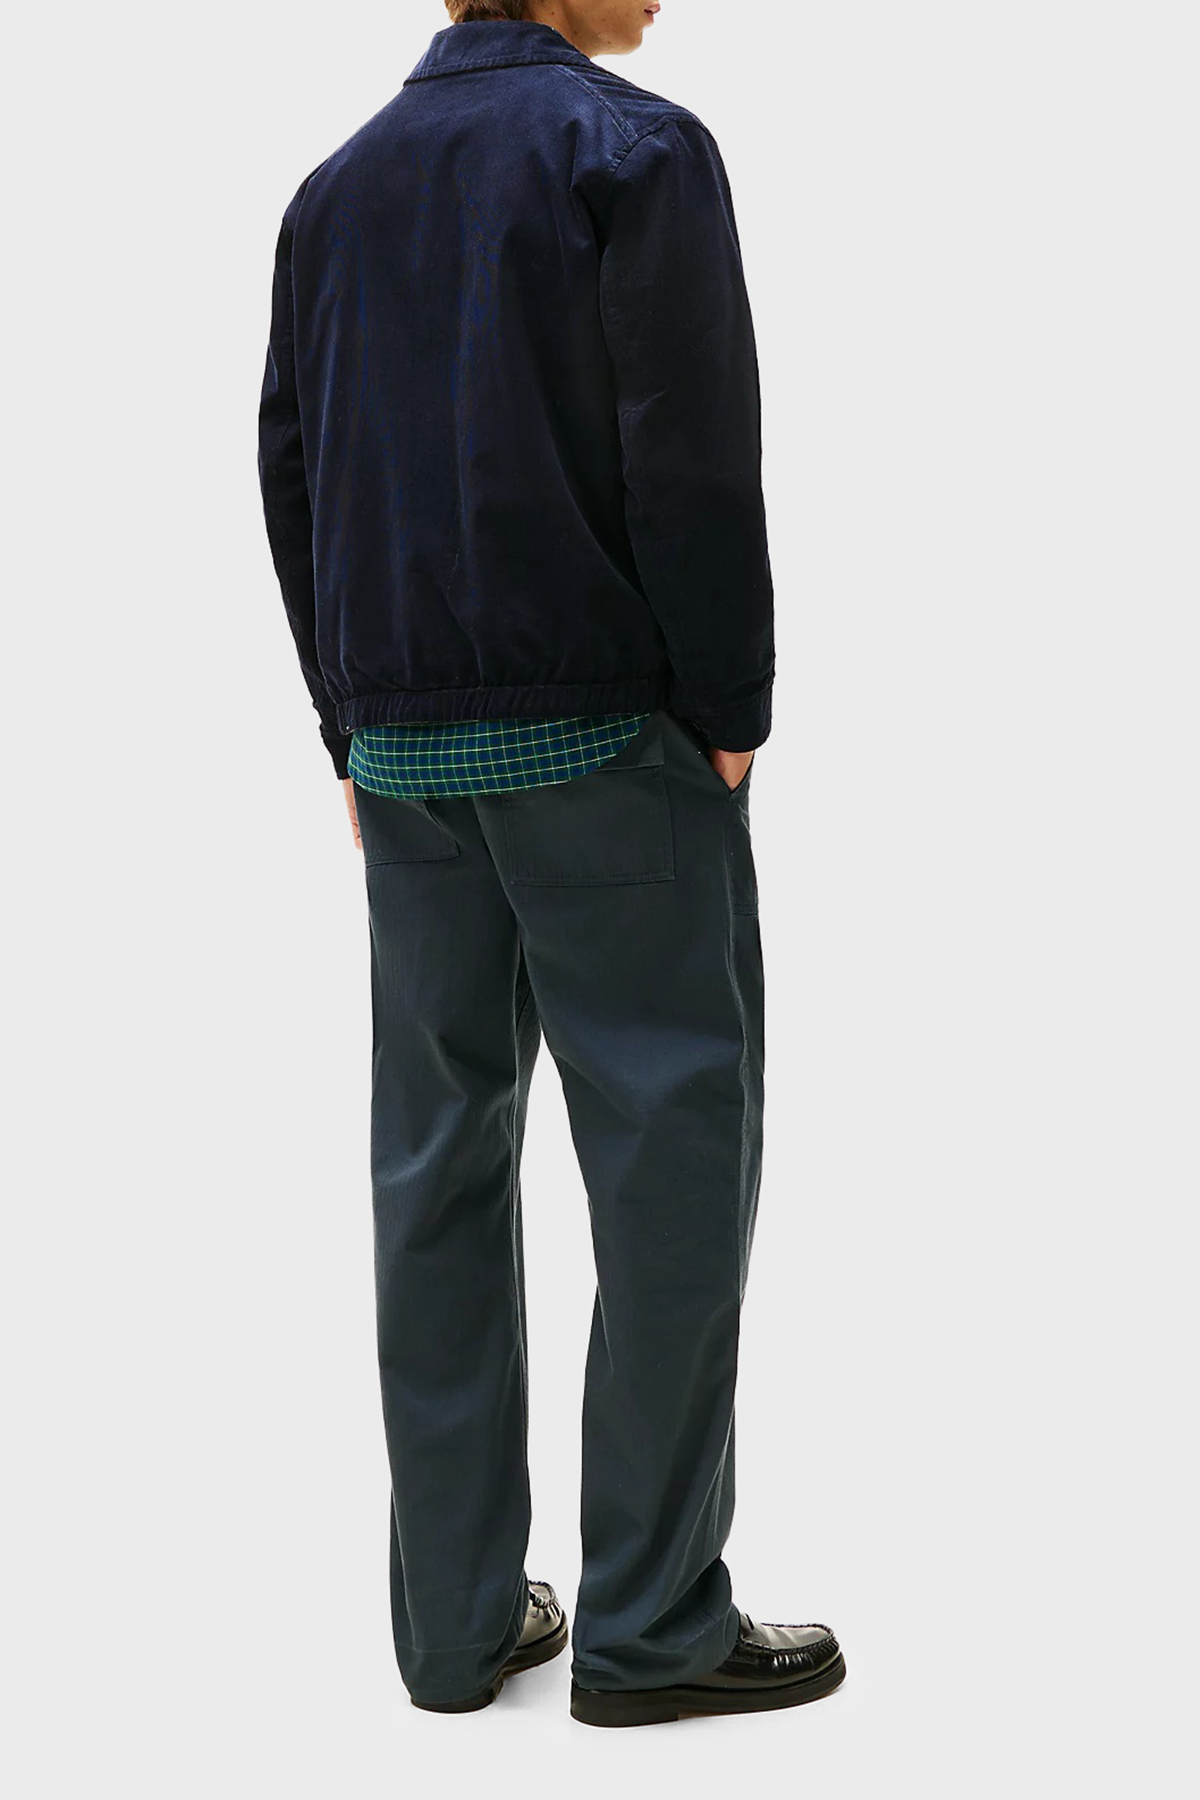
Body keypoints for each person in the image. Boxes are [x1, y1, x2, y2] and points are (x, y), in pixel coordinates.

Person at [257, 0, 845, 1729]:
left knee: (434, 1166)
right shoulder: (635, 154)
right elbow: (692, 453)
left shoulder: (333, 191)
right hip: (604, 740)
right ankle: (651, 1622)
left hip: (408, 756)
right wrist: (730, 703)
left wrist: (346, 722)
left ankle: (454, 1626)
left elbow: (292, 466)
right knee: (671, 1164)